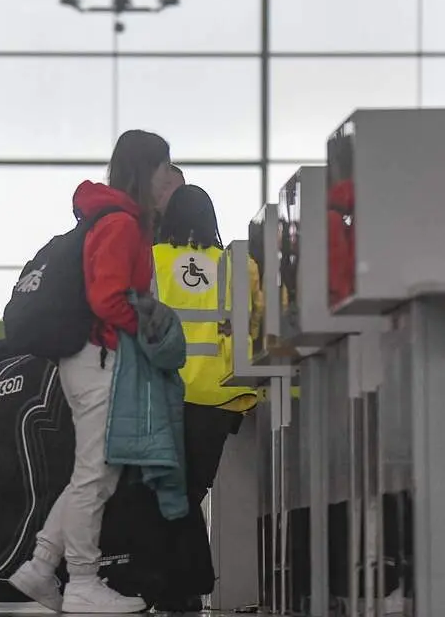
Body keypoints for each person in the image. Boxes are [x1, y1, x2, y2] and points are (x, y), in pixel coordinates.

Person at [8, 129, 174, 614]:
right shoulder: (122, 223)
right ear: (147, 169)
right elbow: (107, 299)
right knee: (96, 474)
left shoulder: (112, 218)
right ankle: (82, 580)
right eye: (164, 167)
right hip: (101, 357)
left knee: (94, 472)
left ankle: (43, 564)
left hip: (89, 358)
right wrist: (144, 330)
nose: (168, 177)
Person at [151, 184, 260, 611]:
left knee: (169, 490)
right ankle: (184, 587)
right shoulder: (238, 266)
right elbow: (256, 327)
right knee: (190, 490)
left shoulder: (153, 260)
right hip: (219, 395)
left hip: (166, 391)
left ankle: (179, 585)